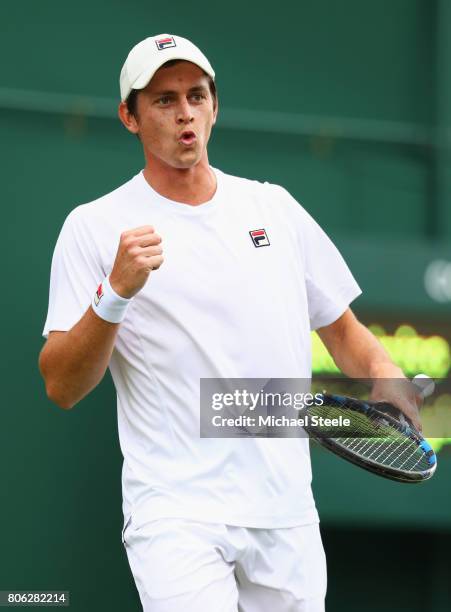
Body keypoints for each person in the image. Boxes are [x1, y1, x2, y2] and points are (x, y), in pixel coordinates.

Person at [39, 33, 422, 612]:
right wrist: (114, 294)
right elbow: (61, 385)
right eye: (164, 100)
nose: (185, 112)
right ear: (130, 117)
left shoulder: (275, 208)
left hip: (285, 517)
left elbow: (342, 329)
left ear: (215, 106)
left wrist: (383, 369)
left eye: (196, 95)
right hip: (176, 516)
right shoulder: (93, 227)